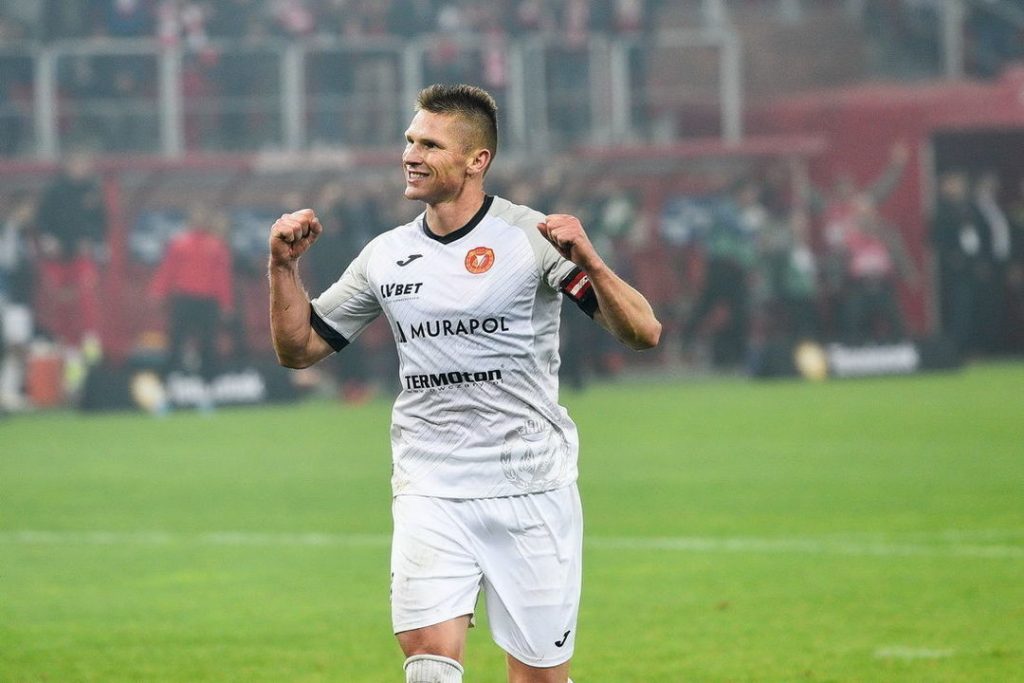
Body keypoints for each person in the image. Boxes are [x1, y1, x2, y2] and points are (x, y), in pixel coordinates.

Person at [268, 83, 661, 683]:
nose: (411, 154)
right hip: (430, 487)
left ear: (477, 160)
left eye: (430, 144)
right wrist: (283, 267)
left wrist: (591, 261)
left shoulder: (531, 238)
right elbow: (299, 349)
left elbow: (643, 332)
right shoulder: (385, 254)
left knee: (539, 678)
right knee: (428, 661)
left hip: (531, 486)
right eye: (410, 140)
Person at [149, 203, 234, 407]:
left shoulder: (215, 246)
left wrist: (226, 303)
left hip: (206, 302)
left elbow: (221, 278)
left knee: (208, 346)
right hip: (185, 300)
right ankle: (168, 390)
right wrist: (158, 291)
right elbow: (168, 270)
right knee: (176, 344)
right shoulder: (180, 243)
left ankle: (208, 392)